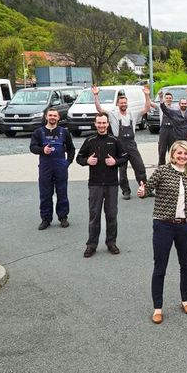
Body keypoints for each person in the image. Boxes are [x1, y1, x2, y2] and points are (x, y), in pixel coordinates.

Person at [137, 140, 187, 325]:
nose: (182, 156)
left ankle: (185, 300)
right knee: (160, 267)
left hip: (184, 226)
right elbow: (147, 189)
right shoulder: (163, 171)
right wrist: (142, 191)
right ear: (172, 155)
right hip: (163, 225)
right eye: (179, 153)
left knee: (186, 265)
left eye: (186, 154)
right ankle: (158, 308)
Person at [75, 113, 128, 258]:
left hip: (111, 184)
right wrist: (87, 161)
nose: (101, 125)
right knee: (94, 215)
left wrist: (115, 162)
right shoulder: (90, 140)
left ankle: (111, 243)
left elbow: (124, 157)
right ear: (95, 123)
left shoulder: (114, 140)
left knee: (111, 215)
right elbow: (78, 158)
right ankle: (91, 245)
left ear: (108, 124)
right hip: (95, 184)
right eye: (99, 123)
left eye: (104, 123)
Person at [93, 85, 151, 200]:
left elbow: (146, 108)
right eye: (121, 103)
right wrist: (95, 95)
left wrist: (146, 95)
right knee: (122, 171)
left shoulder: (132, 114)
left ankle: (145, 189)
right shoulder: (113, 114)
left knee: (140, 168)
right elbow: (99, 109)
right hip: (119, 146)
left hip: (131, 145)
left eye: (125, 102)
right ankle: (126, 191)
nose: (123, 104)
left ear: (127, 103)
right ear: (117, 104)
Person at [30, 108, 75, 230]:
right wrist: (42, 150)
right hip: (45, 167)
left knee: (62, 192)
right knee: (45, 193)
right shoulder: (39, 132)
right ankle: (46, 219)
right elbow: (32, 147)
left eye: (55, 115)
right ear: (46, 117)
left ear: (58, 117)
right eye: (50, 115)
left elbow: (71, 149)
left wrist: (68, 162)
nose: (52, 117)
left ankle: (63, 217)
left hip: (61, 167)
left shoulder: (64, 132)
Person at [156, 91, 178, 165]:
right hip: (163, 130)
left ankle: (172, 166)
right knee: (162, 150)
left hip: (172, 130)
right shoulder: (161, 106)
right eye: (167, 98)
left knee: (172, 149)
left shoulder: (175, 108)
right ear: (165, 99)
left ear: (172, 99)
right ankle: (161, 167)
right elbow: (150, 104)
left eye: (170, 98)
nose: (168, 99)